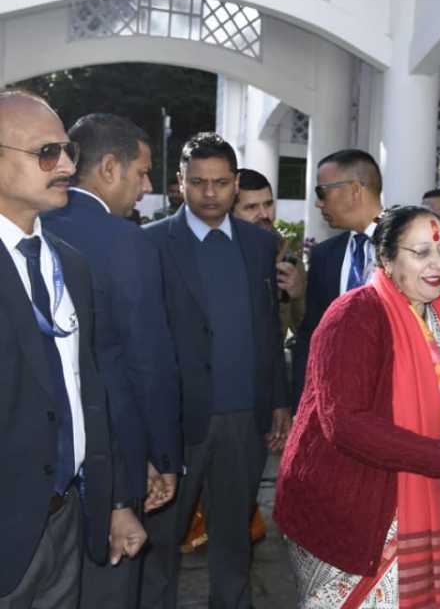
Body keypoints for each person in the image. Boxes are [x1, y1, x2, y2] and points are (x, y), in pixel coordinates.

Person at [274, 205, 440, 608]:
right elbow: (346, 423)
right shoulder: (354, 316)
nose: (438, 264)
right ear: (387, 260)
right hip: (353, 507)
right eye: (421, 253)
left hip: (429, 499)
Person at [0, 90, 145, 606]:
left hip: (66, 520)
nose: (65, 165)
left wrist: (115, 500)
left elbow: (87, 390)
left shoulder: (71, 265)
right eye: (46, 153)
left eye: (68, 151)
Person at [141, 133, 290, 609]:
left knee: (234, 542)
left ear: (235, 183)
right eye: (198, 182)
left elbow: (269, 326)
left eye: (221, 183)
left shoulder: (259, 244)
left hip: (244, 419)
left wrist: (279, 398)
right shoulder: (150, 243)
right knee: (160, 544)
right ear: (179, 182)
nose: (210, 193)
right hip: (175, 422)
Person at [41, 113, 181, 607]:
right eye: (140, 173)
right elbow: (149, 362)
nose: (146, 187)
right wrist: (162, 455)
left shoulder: (31, 228)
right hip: (116, 452)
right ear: (108, 168)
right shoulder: (126, 241)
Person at [293, 149, 384, 409]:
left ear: (354, 189)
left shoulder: (411, 247)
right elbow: (311, 334)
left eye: (322, 192)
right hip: (335, 404)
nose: (318, 204)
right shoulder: (324, 255)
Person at [233, 168, 306, 336]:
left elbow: (306, 332)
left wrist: (299, 295)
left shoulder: (289, 263)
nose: (264, 214)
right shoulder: (213, 257)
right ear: (230, 212)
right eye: (251, 207)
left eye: (268, 204)